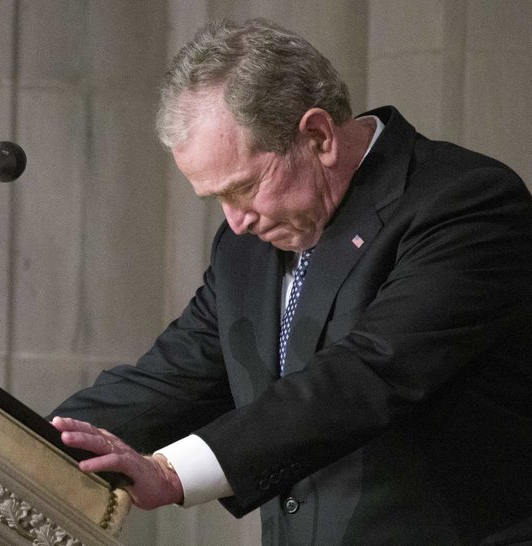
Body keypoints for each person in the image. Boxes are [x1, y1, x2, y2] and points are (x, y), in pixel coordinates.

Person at [49, 18, 532, 545]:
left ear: (318, 136)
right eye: (217, 200)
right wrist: (26, 437)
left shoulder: (465, 204)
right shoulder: (246, 244)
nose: (235, 221)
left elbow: (365, 377)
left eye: (244, 187)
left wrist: (169, 473)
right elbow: (173, 375)